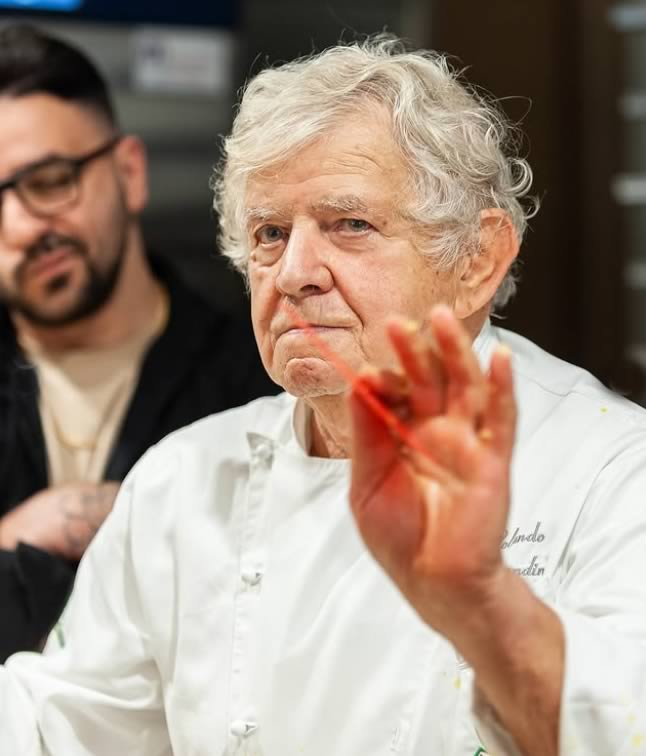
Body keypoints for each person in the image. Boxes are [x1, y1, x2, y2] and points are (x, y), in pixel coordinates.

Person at [1, 35, 645, 756]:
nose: (294, 271)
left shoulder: (610, 470)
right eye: (271, 233)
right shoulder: (183, 480)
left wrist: (481, 603)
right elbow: (59, 726)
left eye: (351, 225)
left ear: (477, 259)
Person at [0, 24, 276, 662]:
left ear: (129, 172)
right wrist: (18, 530)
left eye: (49, 181)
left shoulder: (255, 381)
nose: (20, 227)